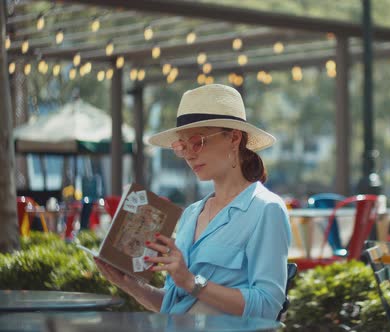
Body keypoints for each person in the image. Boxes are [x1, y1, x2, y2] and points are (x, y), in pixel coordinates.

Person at [94, 84, 292, 319]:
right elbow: (175, 303)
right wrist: (131, 285)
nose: (189, 154)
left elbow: (268, 305)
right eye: (182, 146)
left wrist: (191, 281)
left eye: (197, 141)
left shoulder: (266, 209)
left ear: (234, 138)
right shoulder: (191, 214)